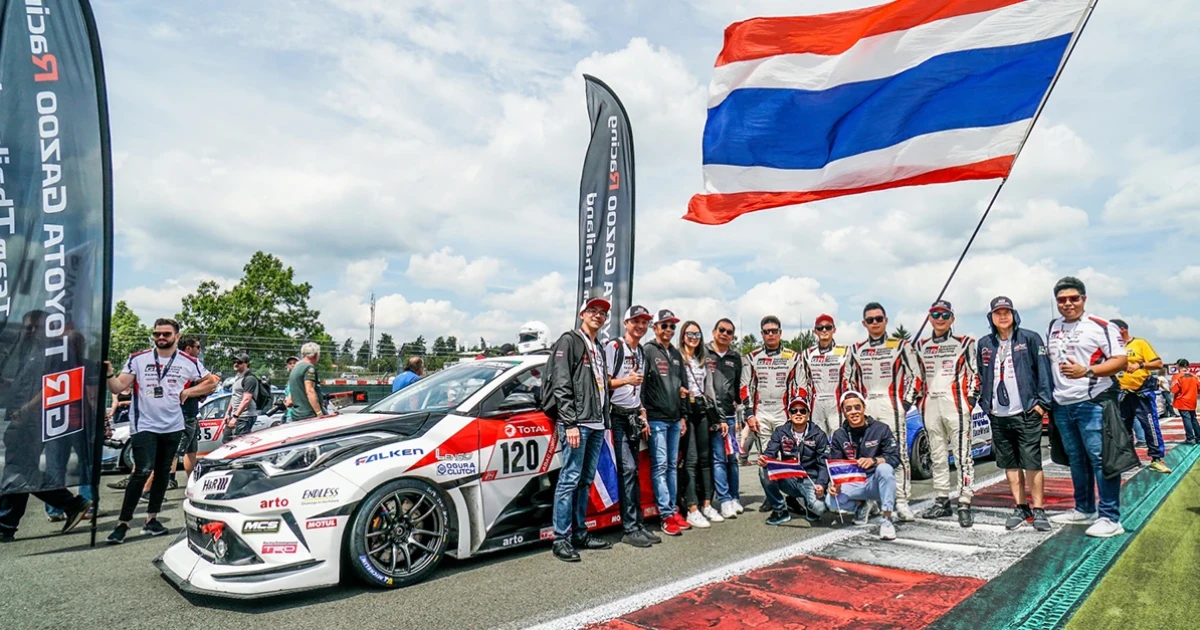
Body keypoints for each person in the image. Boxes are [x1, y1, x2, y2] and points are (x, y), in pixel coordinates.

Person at [103, 318, 215, 544]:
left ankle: (151, 520)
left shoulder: (188, 361)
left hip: (173, 425)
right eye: (157, 334)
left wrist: (188, 393)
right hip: (144, 425)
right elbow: (118, 386)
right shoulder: (138, 359)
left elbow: (211, 382)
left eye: (166, 334)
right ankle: (123, 524)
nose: (161, 337)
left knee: (163, 472)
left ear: (176, 336)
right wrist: (108, 373)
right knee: (142, 470)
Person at [1046, 277, 1129, 538]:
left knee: (1101, 459)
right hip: (1063, 403)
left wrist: (1088, 371)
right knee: (1076, 460)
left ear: (1084, 299)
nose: (1068, 303)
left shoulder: (1101, 325)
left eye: (1074, 298)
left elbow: (1121, 361)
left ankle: (1110, 518)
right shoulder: (1053, 325)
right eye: (1062, 299)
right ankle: (1084, 508)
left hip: (1092, 401)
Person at [0, 311, 93, 541]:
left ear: (47, 328)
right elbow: (29, 383)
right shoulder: (30, 351)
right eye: (27, 327)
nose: (30, 331)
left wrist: (26, 409)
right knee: (21, 471)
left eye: (35, 327)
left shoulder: (56, 352)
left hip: (34, 420)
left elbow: (53, 386)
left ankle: (6, 524)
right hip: (22, 417)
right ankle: (7, 524)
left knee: (18, 470)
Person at [976, 297, 1053, 532]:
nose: (1002, 316)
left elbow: (1044, 372)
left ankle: (1038, 509)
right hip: (998, 414)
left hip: (1026, 412)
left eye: (1006, 312)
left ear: (1014, 314)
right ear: (991, 317)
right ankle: (1021, 507)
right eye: (997, 313)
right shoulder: (985, 343)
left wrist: (1042, 404)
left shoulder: (1030, 338)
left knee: (1031, 462)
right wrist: (985, 405)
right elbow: (981, 375)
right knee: (1009, 464)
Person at [546, 297, 614, 562]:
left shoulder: (598, 347)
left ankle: (579, 533)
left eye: (602, 312)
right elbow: (561, 383)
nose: (598, 315)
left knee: (585, 480)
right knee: (569, 479)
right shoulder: (570, 340)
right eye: (593, 311)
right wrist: (570, 422)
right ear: (582, 314)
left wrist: (604, 420)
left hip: (596, 423)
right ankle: (560, 539)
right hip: (578, 423)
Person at [840, 302, 917, 522]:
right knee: (865, 454)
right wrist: (854, 405)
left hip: (891, 404)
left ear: (886, 320)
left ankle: (901, 500)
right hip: (866, 404)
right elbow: (848, 379)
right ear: (864, 323)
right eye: (870, 320)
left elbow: (915, 375)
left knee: (898, 453)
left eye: (878, 319)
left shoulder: (900, 345)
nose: (875, 323)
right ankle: (871, 500)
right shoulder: (856, 349)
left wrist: (905, 402)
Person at [907, 300, 978, 528]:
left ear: (952, 319)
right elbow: (915, 377)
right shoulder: (920, 346)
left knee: (962, 456)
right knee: (937, 456)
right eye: (936, 314)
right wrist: (915, 401)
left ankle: (965, 501)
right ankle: (942, 500)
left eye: (945, 315)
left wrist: (970, 401)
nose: (940, 319)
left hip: (955, 405)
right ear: (929, 318)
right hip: (930, 407)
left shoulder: (964, 343)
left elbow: (975, 373)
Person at [604, 305, 661, 548]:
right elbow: (602, 383)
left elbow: (638, 391)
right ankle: (629, 528)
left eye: (644, 322)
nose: (640, 326)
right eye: (636, 321)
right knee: (627, 470)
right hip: (615, 416)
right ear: (626, 323)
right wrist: (627, 379)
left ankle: (637, 524)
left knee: (634, 472)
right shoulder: (614, 347)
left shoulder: (640, 352)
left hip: (633, 416)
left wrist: (642, 412)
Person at [826, 392, 901, 541]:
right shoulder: (839, 434)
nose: (853, 412)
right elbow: (836, 464)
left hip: (875, 482)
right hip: (855, 482)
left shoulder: (881, 428)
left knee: (885, 468)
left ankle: (887, 519)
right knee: (831, 502)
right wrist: (834, 484)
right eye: (848, 409)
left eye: (857, 407)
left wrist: (874, 460)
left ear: (864, 407)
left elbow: (895, 458)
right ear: (843, 411)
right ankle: (863, 505)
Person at [643, 308, 690, 536]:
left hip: (674, 419)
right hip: (656, 419)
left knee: (671, 466)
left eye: (672, 326)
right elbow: (641, 386)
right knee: (660, 466)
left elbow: (683, 387)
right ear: (655, 328)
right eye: (665, 325)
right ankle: (665, 514)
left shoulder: (676, 353)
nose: (669, 329)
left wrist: (683, 416)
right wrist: (643, 414)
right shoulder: (647, 351)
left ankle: (673, 510)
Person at [742, 316, 802, 478]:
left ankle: (791, 492)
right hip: (761, 412)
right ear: (762, 334)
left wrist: (797, 413)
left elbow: (801, 387)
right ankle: (770, 493)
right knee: (766, 458)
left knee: (789, 455)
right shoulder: (751, 357)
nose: (770, 334)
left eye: (774, 331)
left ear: (780, 333)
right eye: (767, 331)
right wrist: (749, 414)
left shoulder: (793, 357)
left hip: (784, 413)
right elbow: (744, 387)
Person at [679, 321, 725, 529]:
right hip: (685, 410)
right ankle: (692, 508)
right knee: (691, 459)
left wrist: (718, 417)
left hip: (702, 408)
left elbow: (710, 389)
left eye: (697, 334)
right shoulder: (678, 358)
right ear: (683, 336)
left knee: (706, 459)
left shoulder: (702, 359)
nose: (693, 338)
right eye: (689, 334)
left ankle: (707, 504)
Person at [759, 394, 829, 526]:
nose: (798, 413)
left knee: (820, 509)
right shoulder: (780, 432)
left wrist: (821, 484)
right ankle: (780, 510)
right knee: (764, 469)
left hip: (810, 480)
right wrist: (765, 459)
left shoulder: (819, 435)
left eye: (802, 411)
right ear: (789, 414)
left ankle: (807, 504)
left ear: (808, 414)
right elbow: (770, 453)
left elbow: (824, 464)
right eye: (794, 410)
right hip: (789, 478)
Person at [1112, 320, 1170, 474]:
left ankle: (1157, 459)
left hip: (1141, 393)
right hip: (1121, 394)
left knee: (1150, 426)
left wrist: (1140, 365)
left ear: (1122, 330)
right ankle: (1127, 459)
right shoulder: (1112, 348)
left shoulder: (1140, 343)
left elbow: (1158, 364)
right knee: (1122, 428)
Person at [706, 318, 745, 518]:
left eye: (729, 332)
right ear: (714, 331)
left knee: (732, 459)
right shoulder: (703, 353)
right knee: (718, 458)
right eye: (721, 330)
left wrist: (739, 403)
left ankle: (735, 497)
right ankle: (724, 500)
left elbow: (739, 385)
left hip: (730, 416)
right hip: (711, 416)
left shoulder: (735, 357)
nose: (725, 334)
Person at [798, 314, 847, 438]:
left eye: (828, 327)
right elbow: (802, 382)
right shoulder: (807, 354)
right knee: (817, 438)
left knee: (839, 437)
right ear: (815, 331)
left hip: (836, 402)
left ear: (834, 330)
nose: (824, 330)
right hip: (816, 402)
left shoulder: (845, 351)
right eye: (820, 328)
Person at [223, 353, 261, 441]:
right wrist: (228, 413)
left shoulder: (249, 378)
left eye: (239, 362)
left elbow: (246, 399)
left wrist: (235, 417)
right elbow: (234, 396)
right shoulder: (238, 377)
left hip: (244, 416)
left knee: (237, 442)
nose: (236, 364)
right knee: (228, 440)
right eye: (234, 362)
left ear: (246, 363)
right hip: (237, 415)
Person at [287, 343, 325, 421]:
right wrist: (319, 413)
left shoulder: (295, 368)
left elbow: (289, 400)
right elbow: (310, 391)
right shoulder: (309, 368)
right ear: (315, 355)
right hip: (309, 415)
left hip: (297, 414)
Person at [1171, 360, 1199, 445]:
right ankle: (1198, 436)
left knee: (1187, 419)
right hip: (1192, 401)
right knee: (1193, 419)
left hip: (1182, 401)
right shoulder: (1194, 376)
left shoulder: (1177, 377)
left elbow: (1174, 390)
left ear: (1178, 366)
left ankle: (1190, 438)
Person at [282, 356, 299, 422]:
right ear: (287, 366)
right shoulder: (289, 381)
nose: (292, 365)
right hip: (288, 413)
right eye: (290, 363)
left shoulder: (299, 378)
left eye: (294, 363)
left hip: (296, 414)